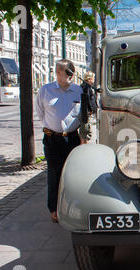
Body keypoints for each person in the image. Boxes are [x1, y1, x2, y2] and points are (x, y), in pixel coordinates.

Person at [35, 59, 82, 223]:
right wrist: (53, 127)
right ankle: (54, 209)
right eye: (66, 72)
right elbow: (40, 113)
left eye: (72, 72)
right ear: (58, 73)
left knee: (73, 173)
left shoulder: (78, 90)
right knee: (54, 173)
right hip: (53, 138)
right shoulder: (46, 90)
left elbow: (83, 114)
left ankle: (73, 206)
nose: (70, 75)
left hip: (72, 138)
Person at [78, 71, 98, 144]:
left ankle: (84, 145)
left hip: (86, 113)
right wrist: (90, 110)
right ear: (89, 79)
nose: (94, 80)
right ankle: (83, 147)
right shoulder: (86, 87)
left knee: (85, 131)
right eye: (93, 78)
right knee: (85, 132)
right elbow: (87, 99)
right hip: (86, 114)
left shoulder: (86, 86)